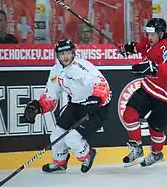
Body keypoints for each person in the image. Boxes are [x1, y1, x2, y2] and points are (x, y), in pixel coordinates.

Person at [22, 39, 111, 173]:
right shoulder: (56, 71)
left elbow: (101, 84)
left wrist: (96, 99)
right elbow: (51, 96)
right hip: (75, 104)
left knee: (72, 138)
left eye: (68, 53)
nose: (66, 56)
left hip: (97, 106)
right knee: (56, 136)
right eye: (62, 53)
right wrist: (38, 107)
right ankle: (60, 163)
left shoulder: (81, 67)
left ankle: (87, 155)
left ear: (73, 53)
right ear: (57, 55)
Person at [119, 18, 167, 167]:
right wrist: (131, 48)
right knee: (129, 114)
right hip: (150, 88)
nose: (149, 37)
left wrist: (155, 67)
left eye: (153, 35)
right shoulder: (150, 41)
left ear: (161, 34)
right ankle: (136, 148)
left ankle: (157, 154)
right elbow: (143, 47)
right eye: (148, 34)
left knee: (155, 127)